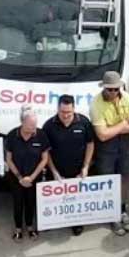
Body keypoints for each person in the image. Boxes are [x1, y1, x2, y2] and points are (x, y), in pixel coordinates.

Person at [40, 95, 98, 236]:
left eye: (68, 112)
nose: (65, 115)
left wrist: (85, 167)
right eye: (62, 112)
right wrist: (53, 171)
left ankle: (76, 222)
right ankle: (50, 220)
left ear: (74, 109)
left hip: (77, 171)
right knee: (55, 200)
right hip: (56, 172)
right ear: (57, 109)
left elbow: (90, 144)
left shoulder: (84, 122)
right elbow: (45, 151)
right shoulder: (48, 126)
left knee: (76, 199)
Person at [90, 70, 129, 236]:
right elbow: (102, 136)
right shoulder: (96, 103)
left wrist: (113, 129)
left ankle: (122, 208)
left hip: (124, 144)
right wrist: (122, 124)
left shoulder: (128, 98)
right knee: (108, 180)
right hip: (106, 148)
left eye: (116, 89)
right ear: (104, 88)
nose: (113, 92)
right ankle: (112, 214)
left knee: (124, 177)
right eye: (110, 89)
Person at [4, 107, 52, 242]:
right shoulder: (12, 135)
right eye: (31, 125)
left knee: (30, 202)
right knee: (18, 202)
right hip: (16, 178)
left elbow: (44, 159)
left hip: (33, 178)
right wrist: (20, 177)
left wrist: (31, 177)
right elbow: (8, 159)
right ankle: (18, 228)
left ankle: (30, 227)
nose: (34, 128)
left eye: (35, 124)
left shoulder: (41, 135)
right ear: (22, 122)